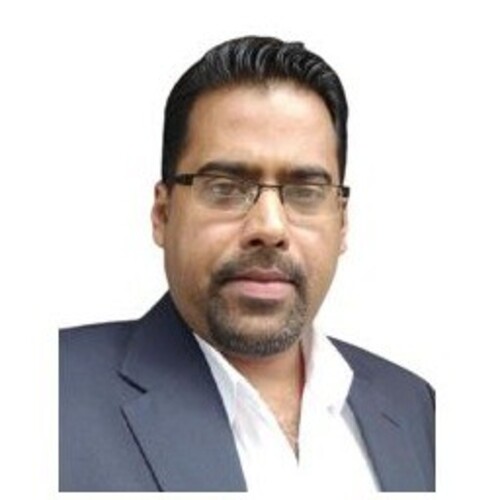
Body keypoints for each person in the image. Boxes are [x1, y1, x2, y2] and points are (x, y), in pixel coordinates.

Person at [59, 35, 435, 492]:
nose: (270, 227)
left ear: (342, 222)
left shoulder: (416, 408)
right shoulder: (50, 393)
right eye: (225, 187)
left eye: (305, 191)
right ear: (162, 213)